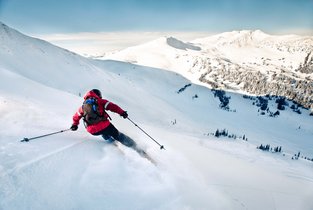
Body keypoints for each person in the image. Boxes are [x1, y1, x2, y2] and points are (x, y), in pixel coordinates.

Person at [70, 89, 136, 148]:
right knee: (117, 135)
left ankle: (112, 143)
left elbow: (76, 116)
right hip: (105, 126)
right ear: (98, 95)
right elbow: (112, 106)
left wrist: (74, 125)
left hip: (92, 131)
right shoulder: (100, 101)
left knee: (102, 131)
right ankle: (134, 146)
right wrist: (122, 113)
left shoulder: (82, 107)